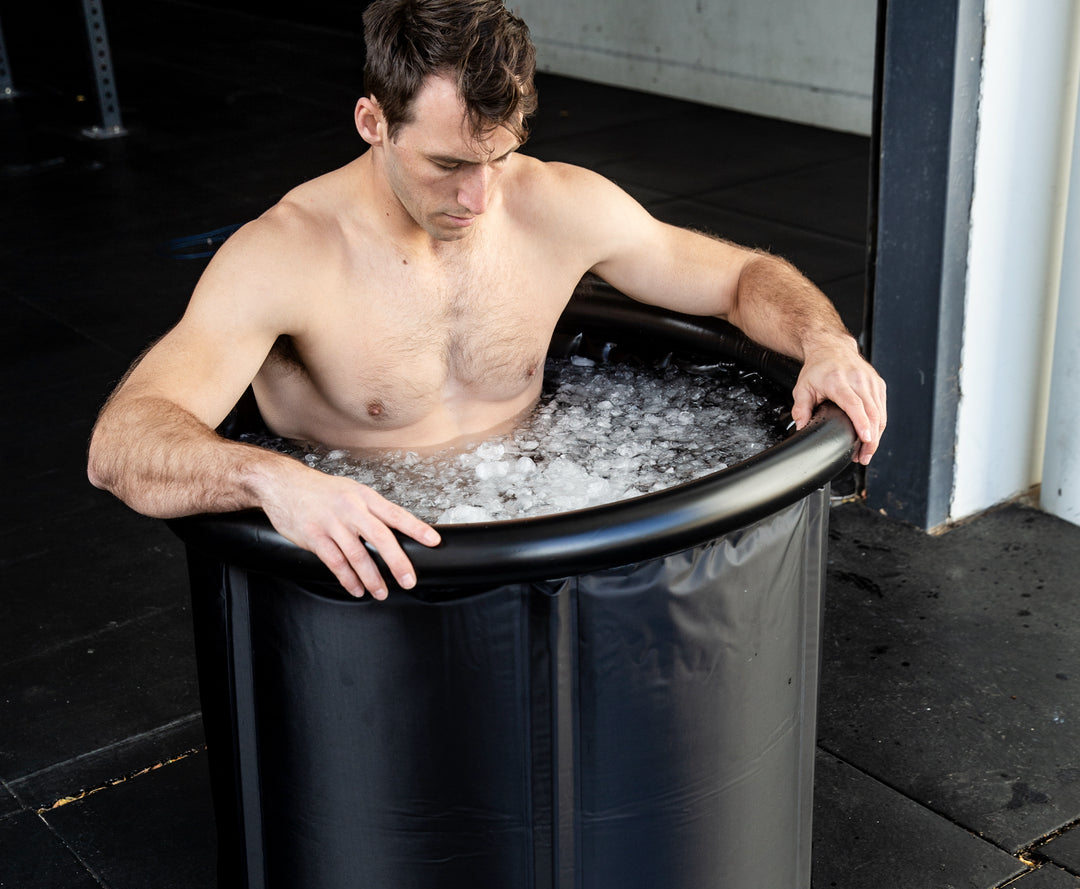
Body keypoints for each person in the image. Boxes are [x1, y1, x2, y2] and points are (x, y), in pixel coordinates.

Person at [88, 0, 886, 601]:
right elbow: (122, 442)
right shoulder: (286, 255)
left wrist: (826, 342)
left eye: (497, 158)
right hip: (378, 573)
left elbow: (741, 276)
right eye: (445, 164)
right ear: (372, 121)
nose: (475, 197)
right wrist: (274, 483)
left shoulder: (555, 206)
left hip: (553, 519)